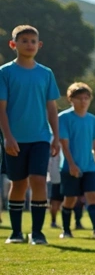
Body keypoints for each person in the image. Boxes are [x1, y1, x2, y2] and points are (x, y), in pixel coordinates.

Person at [0, 25, 61, 245]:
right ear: (13, 44)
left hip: (40, 138)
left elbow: (52, 108)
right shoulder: (5, 73)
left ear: (39, 45)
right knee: (18, 184)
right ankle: (16, 232)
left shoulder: (46, 73)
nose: (29, 44)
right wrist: (7, 136)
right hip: (14, 139)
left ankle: (37, 233)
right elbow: (2, 108)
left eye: (33, 41)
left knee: (38, 181)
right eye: (24, 40)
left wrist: (56, 136)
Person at [57, 82, 95, 239]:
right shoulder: (64, 118)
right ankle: (66, 230)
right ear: (70, 99)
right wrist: (72, 164)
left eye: (86, 98)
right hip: (70, 167)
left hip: (89, 167)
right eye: (79, 98)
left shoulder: (92, 119)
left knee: (93, 195)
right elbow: (64, 145)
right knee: (70, 199)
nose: (83, 101)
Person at [47, 154, 62, 229]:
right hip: (59, 178)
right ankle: (54, 221)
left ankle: (53, 221)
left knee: (55, 201)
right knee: (56, 202)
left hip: (55, 179)